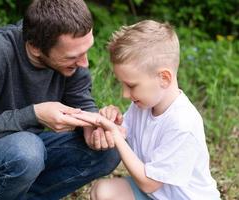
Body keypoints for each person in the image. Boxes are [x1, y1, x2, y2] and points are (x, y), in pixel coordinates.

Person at [0, 0, 120, 199]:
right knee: (27, 150)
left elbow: (81, 100)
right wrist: (33, 115)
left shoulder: (74, 61)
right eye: (72, 57)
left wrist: (92, 126)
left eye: (87, 50)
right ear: (35, 47)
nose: (84, 62)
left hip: (25, 151)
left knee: (109, 152)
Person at [73, 20, 221, 199]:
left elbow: (149, 183)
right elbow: (123, 132)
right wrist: (112, 122)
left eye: (131, 85)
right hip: (154, 195)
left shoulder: (183, 123)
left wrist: (116, 136)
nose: (125, 94)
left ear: (164, 78)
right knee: (102, 191)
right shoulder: (143, 105)